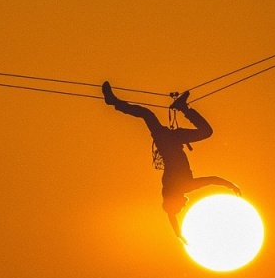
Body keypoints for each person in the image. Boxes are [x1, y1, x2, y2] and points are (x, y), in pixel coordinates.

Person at [102, 82, 240, 239]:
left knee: (148, 114)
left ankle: (114, 102)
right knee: (151, 115)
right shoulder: (179, 187)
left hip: (166, 142)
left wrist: (231, 186)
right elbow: (210, 181)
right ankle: (182, 107)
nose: (185, 205)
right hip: (173, 140)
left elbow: (171, 211)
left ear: (175, 201)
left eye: (181, 207)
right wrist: (177, 232)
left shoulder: (179, 187)